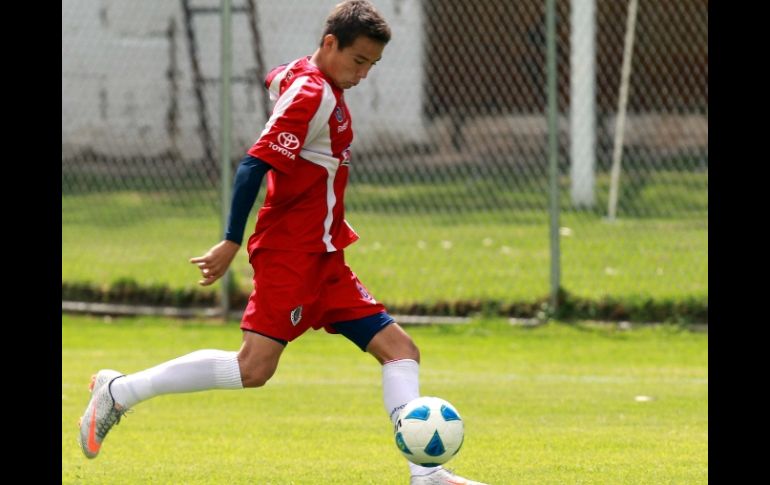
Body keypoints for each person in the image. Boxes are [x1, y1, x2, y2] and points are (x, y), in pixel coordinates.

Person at [77, 2, 487, 484]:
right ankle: (119, 391)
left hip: (325, 256)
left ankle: (426, 475)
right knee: (253, 369)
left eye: (372, 65)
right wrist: (230, 240)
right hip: (291, 254)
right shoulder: (312, 94)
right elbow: (254, 164)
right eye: (358, 61)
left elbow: (278, 75)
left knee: (400, 350)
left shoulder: (308, 79)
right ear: (330, 43)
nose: (363, 74)